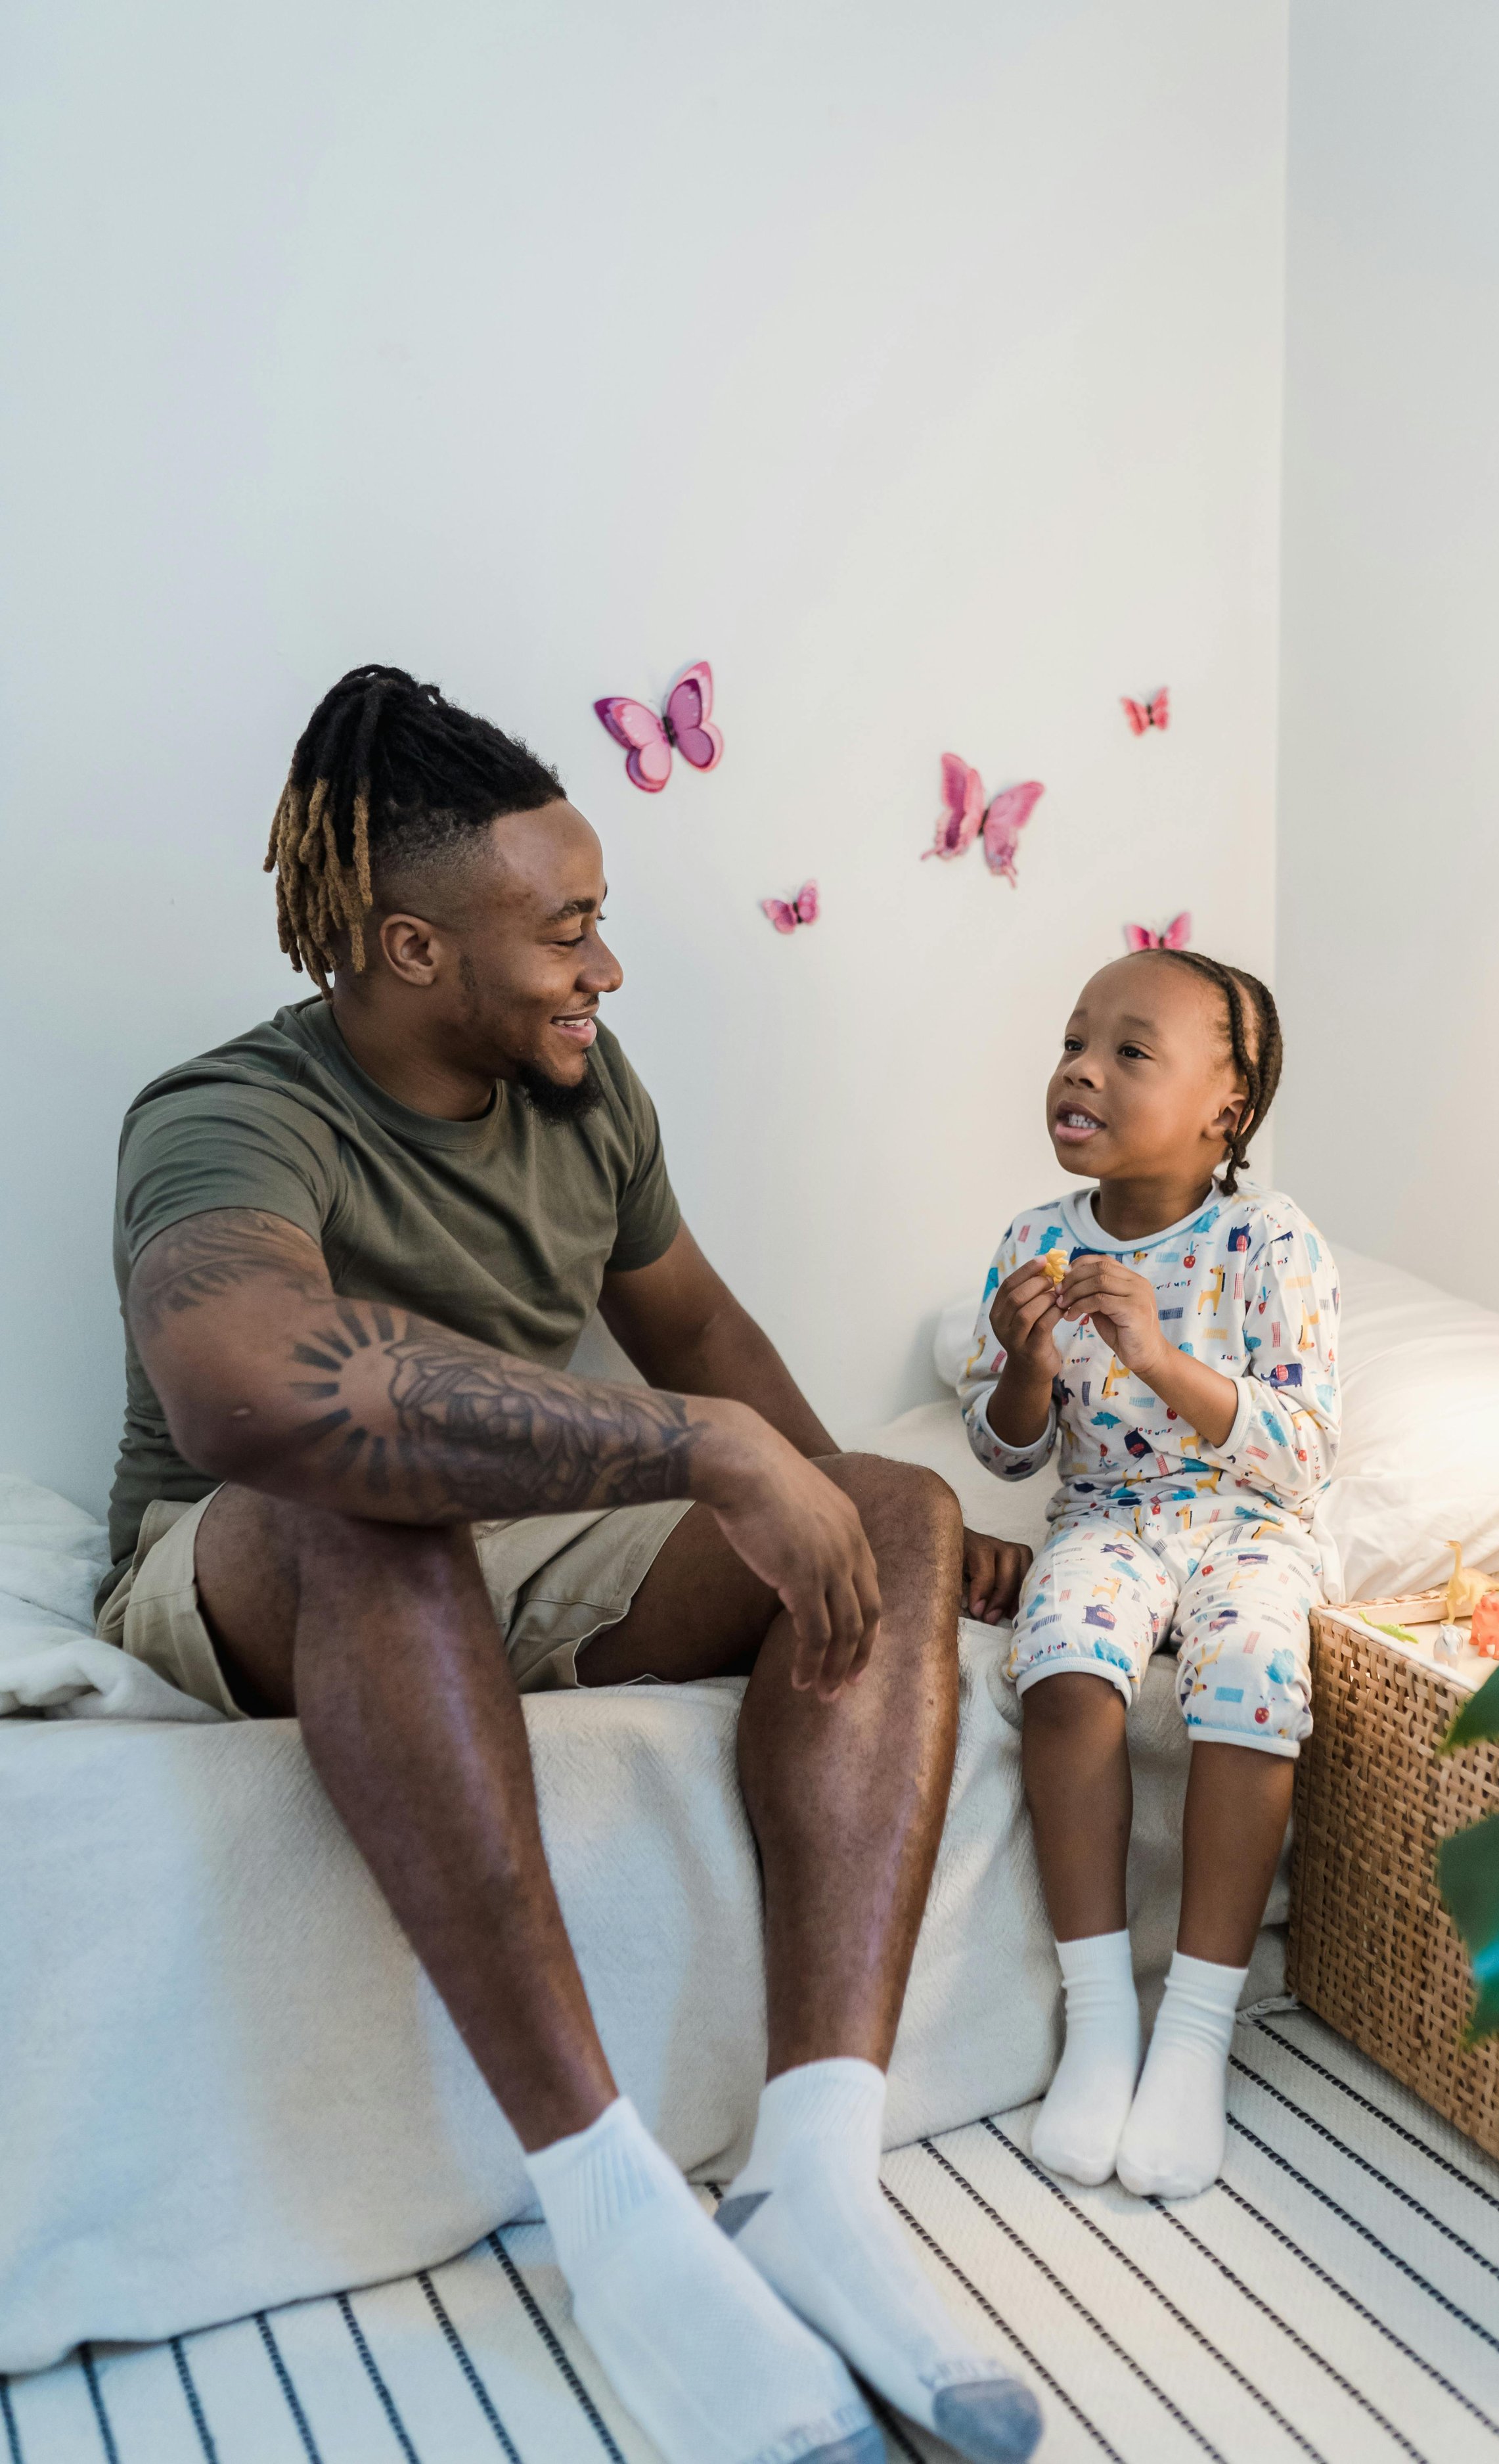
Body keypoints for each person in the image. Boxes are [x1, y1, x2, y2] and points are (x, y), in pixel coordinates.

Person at [96, 666, 1043, 2464]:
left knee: (891, 1508)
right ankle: (612, 2211)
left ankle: (814, 2175)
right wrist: (696, 1448)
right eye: (570, 931)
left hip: (527, 1553)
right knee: (368, 1508)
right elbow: (245, 1390)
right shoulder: (225, 1114)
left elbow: (699, 1329)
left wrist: (830, 1490)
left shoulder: (589, 1092)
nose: (605, 969)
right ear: (411, 946)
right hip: (249, 1563)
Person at [959, 947, 1339, 2200]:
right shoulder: (1033, 1240)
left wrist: (1163, 1358)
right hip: (1108, 1516)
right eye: (1076, 1039)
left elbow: (1306, 1449)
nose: (1081, 1066)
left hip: (1245, 1525)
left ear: (1225, 1110)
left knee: (1247, 1677)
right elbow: (1004, 1448)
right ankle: (1102, 2017)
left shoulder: (1266, 1237)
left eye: (1131, 1049)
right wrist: (1022, 1362)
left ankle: (1192, 2034)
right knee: (1064, 1671)